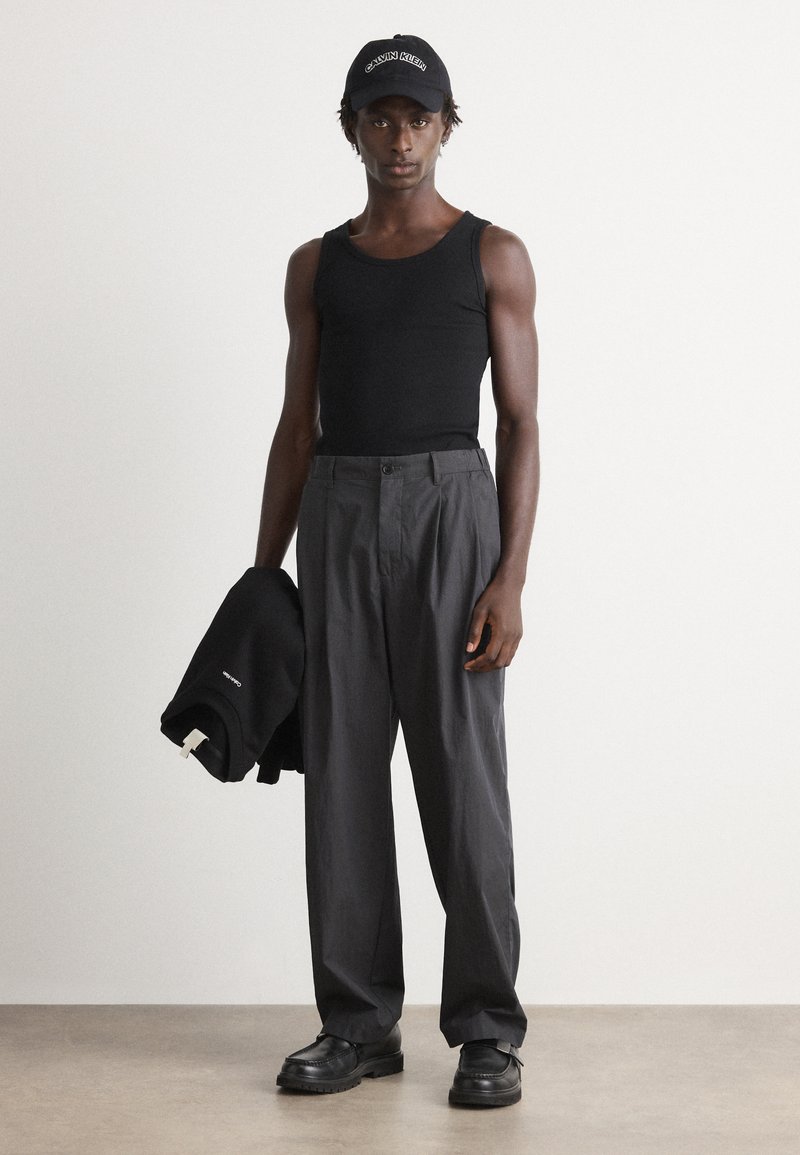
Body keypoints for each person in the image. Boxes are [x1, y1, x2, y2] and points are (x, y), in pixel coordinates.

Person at [254, 33, 539, 1108]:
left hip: (449, 510)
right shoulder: (315, 266)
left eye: (418, 117)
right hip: (335, 510)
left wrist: (510, 577)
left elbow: (520, 423)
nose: (400, 136)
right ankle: (358, 1024)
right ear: (351, 129)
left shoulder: (491, 255)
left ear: (446, 126)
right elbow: (296, 426)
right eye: (379, 116)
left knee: (462, 781)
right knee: (340, 777)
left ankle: (487, 1030)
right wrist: (263, 580)